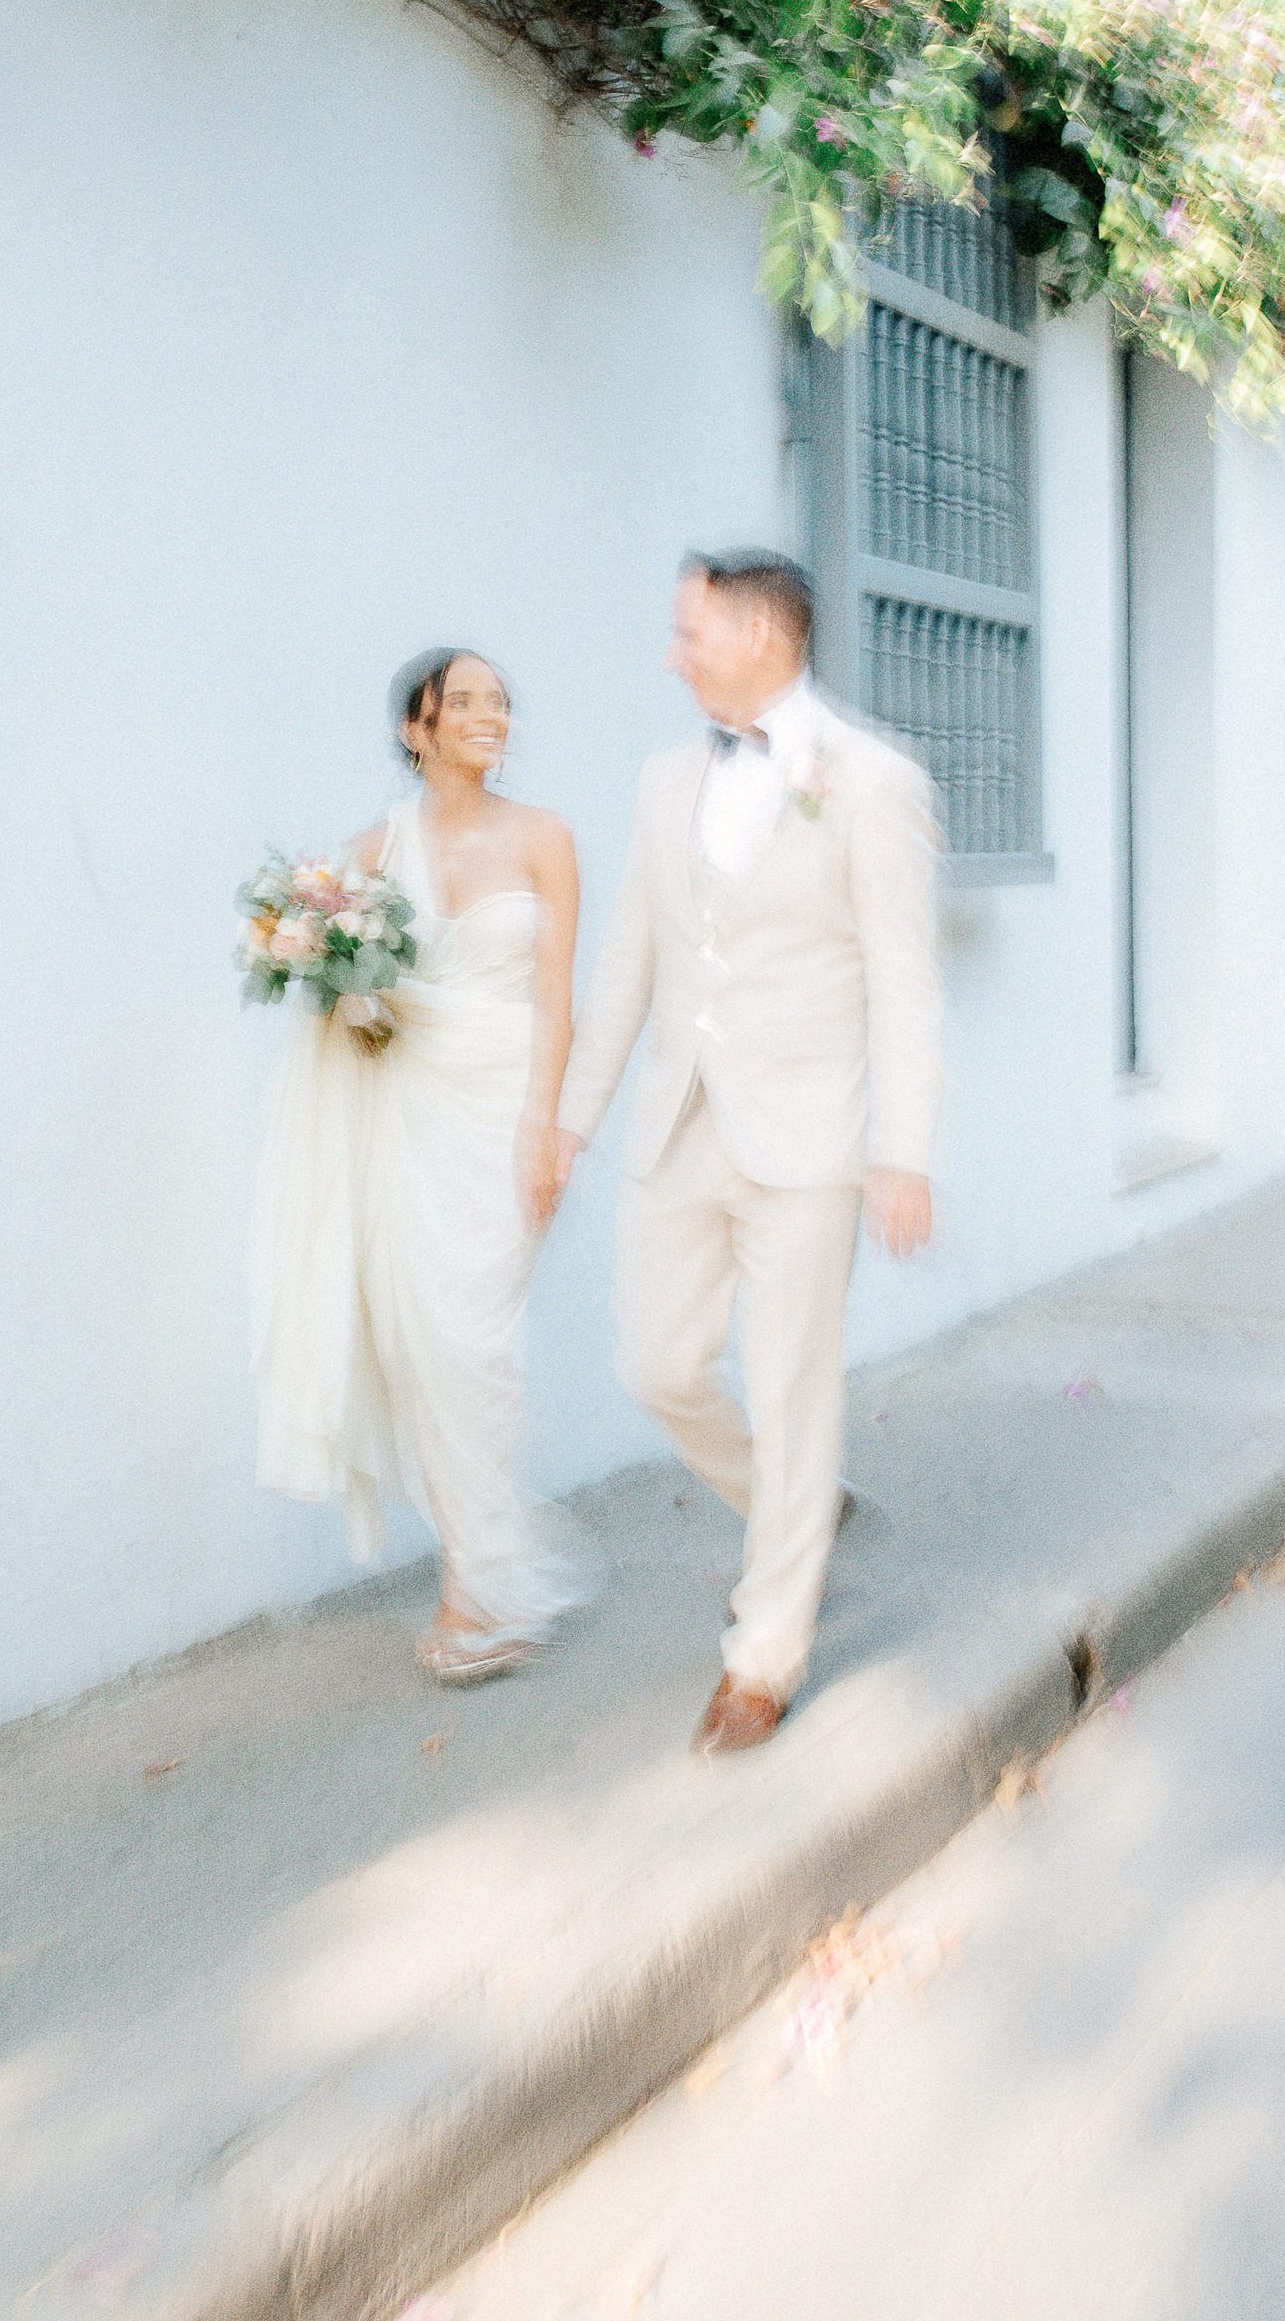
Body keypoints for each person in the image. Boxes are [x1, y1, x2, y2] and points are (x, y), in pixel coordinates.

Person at [554, 551, 942, 1754]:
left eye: (691, 633)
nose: (672, 655)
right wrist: (570, 1117)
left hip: (809, 1138)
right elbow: (627, 961)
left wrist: (902, 1149)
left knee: (787, 1385)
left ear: (766, 633)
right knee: (654, 1364)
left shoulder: (870, 782)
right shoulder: (664, 779)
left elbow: (902, 979)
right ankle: (795, 1514)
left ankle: (764, 1649)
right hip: (681, 1124)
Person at [251, 650, 589, 1684]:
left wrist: (547, 1131)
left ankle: (494, 1583)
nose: (492, 716)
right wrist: (332, 981)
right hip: (405, 1121)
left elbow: (556, 1001)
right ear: (417, 726)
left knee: (475, 1345)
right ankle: (472, 1587)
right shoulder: (372, 850)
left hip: (502, 1116)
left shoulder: (544, 840)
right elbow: (319, 965)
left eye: (502, 702)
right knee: (421, 1344)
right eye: (468, 701)